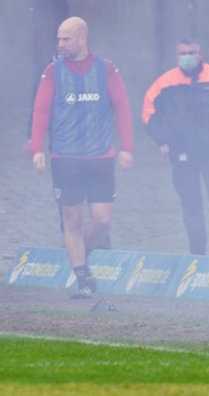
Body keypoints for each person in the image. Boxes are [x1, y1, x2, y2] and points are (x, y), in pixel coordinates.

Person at [30, 16, 134, 298]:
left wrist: (127, 147)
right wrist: (37, 148)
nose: (60, 44)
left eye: (66, 39)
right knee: (72, 221)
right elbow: (41, 110)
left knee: (102, 220)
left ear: (82, 39)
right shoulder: (53, 71)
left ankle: (78, 257)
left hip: (100, 156)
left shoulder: (106, 68)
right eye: (59, 39)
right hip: (65, 158)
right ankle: (83, 278)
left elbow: (122, 107)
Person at [142, 38, 209, 257]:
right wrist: (162, 140)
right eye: (183, 53)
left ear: (201, 54)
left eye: (191, 52)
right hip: (182, 153)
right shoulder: (165, 82)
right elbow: (148, 112)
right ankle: (198, 255)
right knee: (191, 205)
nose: (187, 57)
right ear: (176, 56)